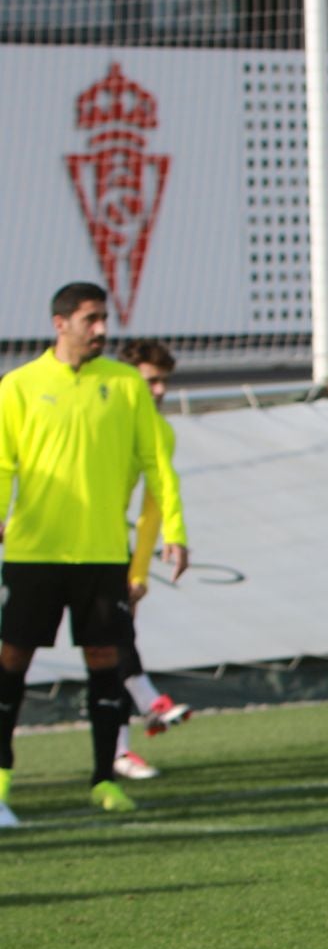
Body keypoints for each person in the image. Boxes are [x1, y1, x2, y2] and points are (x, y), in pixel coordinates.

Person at [0, 283, 187, 825]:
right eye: (90, 319)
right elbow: (3, 463)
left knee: (105, 662)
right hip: (34, 553)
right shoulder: (18, 386)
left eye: (104, 318)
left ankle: (105, 779)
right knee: (11, 662)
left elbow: (157, 462)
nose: (102, 329)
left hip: (103, 555)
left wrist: (174, 528)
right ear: (60, 324)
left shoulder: (125, 385)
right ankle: (3, 778)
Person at [109, 339, 194, 782]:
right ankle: (146, 702)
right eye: (151, 381)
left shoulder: (160, 432)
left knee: (111, 640)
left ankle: (121, 749)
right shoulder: (101, 419)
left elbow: (153, 507)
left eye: (164, 381)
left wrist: (138, 572)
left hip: (104, 547)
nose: (160, 391)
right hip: (45, 542)